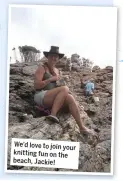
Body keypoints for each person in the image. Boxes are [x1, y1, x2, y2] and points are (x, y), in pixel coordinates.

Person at [34, 46, 95, 135]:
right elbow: (36, 86)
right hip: (40, 95)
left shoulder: (57, 71)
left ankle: (82, 127)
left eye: (56, 56)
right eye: (52, 56)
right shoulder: (42, 68)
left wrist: (63, 89)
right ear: (48, 57)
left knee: (70, 97)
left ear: (58, 58)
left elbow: (55, 88)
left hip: (51, 97)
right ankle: (53, 114)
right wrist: (50, 79)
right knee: (65, 89)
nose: (54, 58)